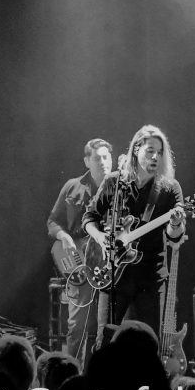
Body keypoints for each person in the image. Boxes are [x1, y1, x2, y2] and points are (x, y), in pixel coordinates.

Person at [83, 126, 185, 344]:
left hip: (150, 277)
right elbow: (89, 218)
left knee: (150, 343)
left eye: (159, 152)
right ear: (136, 149)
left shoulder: (169, 188)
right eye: (150, 151)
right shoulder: (114, 182)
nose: (155, 157)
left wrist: (175, 224)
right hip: (113, 275)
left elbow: (174, 236)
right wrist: (101, 238)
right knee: (105, 342)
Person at [47, 138, 112, 362]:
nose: (103, 162)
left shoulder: (120, 189)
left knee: (107, 327)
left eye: (106, 157)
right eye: (97, 158)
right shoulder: (72, 186)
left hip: (109, 267)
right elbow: (53, 221)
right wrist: (63, 236)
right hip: (79, 263)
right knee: (77, 326)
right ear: (87, 161)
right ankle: (70, 371)